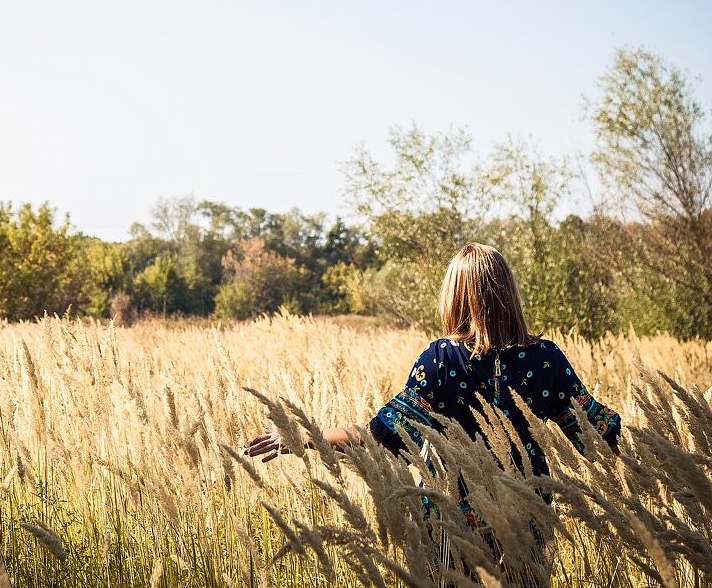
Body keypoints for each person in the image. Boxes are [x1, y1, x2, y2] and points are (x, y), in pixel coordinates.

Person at [246, 242, 622, 582]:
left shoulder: (442, 359)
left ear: (456, 297)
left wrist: (304, 437)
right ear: (509, 293)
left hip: (453, 522)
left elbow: (380, 434)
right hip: (528, 516)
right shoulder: (547, 358)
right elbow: (598, 432)